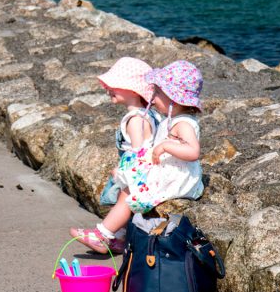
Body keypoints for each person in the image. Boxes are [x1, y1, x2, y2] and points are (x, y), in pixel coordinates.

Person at [72, 60, 204, 254]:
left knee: (129, 191)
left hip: (178, 178)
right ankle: (118, 237)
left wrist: (166, 145)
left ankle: (103, 234)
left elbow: (193, 152)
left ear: (173, 99)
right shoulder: (173, 119)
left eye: (158, 93)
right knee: (129, 187)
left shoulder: (183, 123)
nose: (153, 96)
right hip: (171, 171)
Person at [70, 57, 160, 254]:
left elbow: (139, 152)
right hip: (146, 170)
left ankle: (102, 234)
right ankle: (119, 238)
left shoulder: (136, 120)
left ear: (133, 89)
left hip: (138, 171)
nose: (108, 88)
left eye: (115, 85)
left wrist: (122, 170)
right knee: (123, 199)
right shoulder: (148, 115)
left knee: (124, 200)